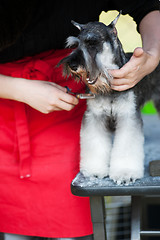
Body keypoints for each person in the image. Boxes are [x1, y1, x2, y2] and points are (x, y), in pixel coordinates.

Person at [0, 1, 159, 240]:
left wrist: (153, 55)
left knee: (72, 221)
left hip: (68, 102)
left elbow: (147, 5)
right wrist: (20, 89)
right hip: (5, 108)